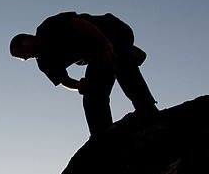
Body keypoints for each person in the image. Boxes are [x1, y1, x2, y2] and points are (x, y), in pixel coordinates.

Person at [10, 12, 157, 135]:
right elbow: (63, 80)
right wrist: (78, 85)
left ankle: (146, 107)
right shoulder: (44, 62)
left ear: (27, 40)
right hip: (95, 54)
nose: (25, 57)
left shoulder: (48, 27)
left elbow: (80, 23)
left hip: (111, 30)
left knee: (118, 60)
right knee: (92, 91)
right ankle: (101, 133)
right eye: (22, 58)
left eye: (22, 52)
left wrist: (106, 43)